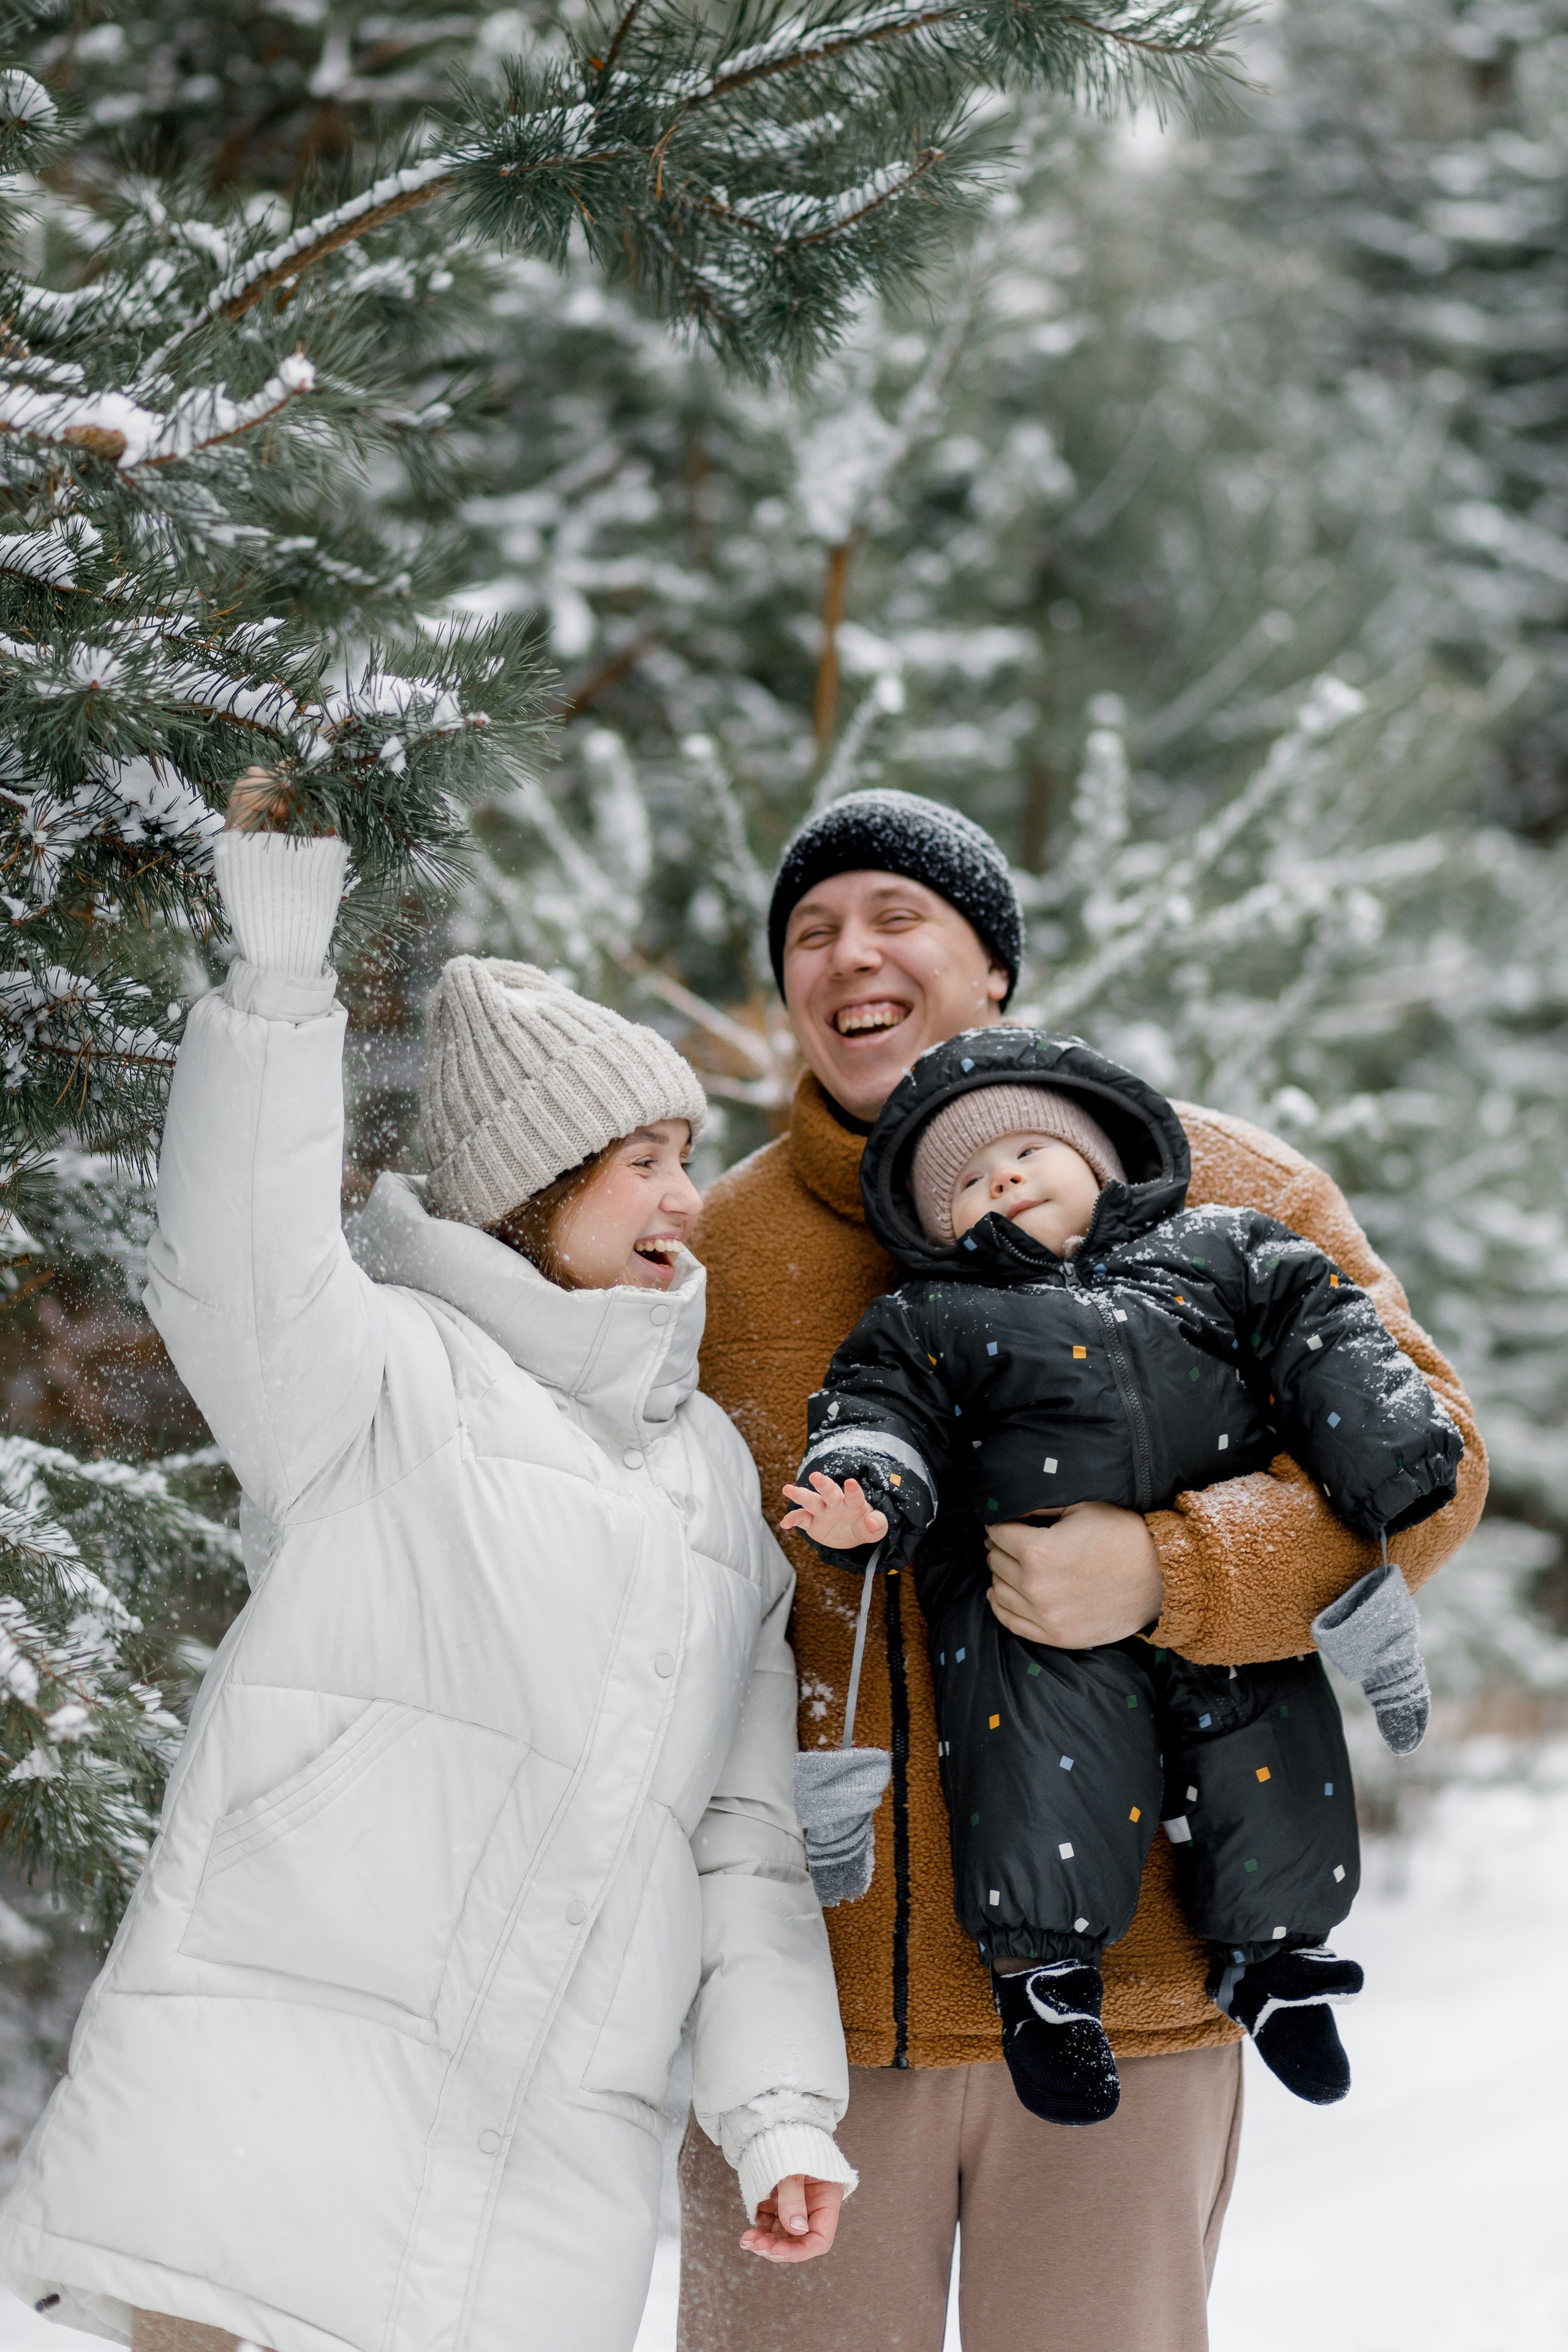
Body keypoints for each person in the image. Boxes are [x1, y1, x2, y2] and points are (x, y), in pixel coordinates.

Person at [0, 775, 856, 2352]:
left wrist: (779, 2109)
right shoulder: (383, 1386)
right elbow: (237, 1261)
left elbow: (738, 1842)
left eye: (687, 1157)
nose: (686, 1197)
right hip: (269, 2128)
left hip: (536, 2178)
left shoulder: (708, 1479)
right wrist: (276, 979)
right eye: (642, 1160)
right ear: (534, 1191)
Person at [679, 789, 1487, 2352]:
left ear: (992, 965)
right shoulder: (712, 1249)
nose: (850, 953)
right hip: (803, 2030)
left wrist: (1173, 1570)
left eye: (896, 916)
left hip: (1134, 1991)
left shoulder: (1219, 1190)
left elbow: (1431, 1465)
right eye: (808, 932)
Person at [784, 1024, 1461, 2124]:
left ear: (1102, 1160)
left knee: (1268, 1744)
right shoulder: (933, 1315)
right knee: (1043, 1766)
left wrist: (1382, 1445)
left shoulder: (1225, 1247)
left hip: (1220, 1569)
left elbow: (1319, 1320)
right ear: (937, 1227)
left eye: (1029, 1156)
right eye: (967, 1181)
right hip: (1030, 1607)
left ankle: (1280, 1960)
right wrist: (866, 1484)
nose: (1002, 1178)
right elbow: (877, 1405)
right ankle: (1046, 1982)